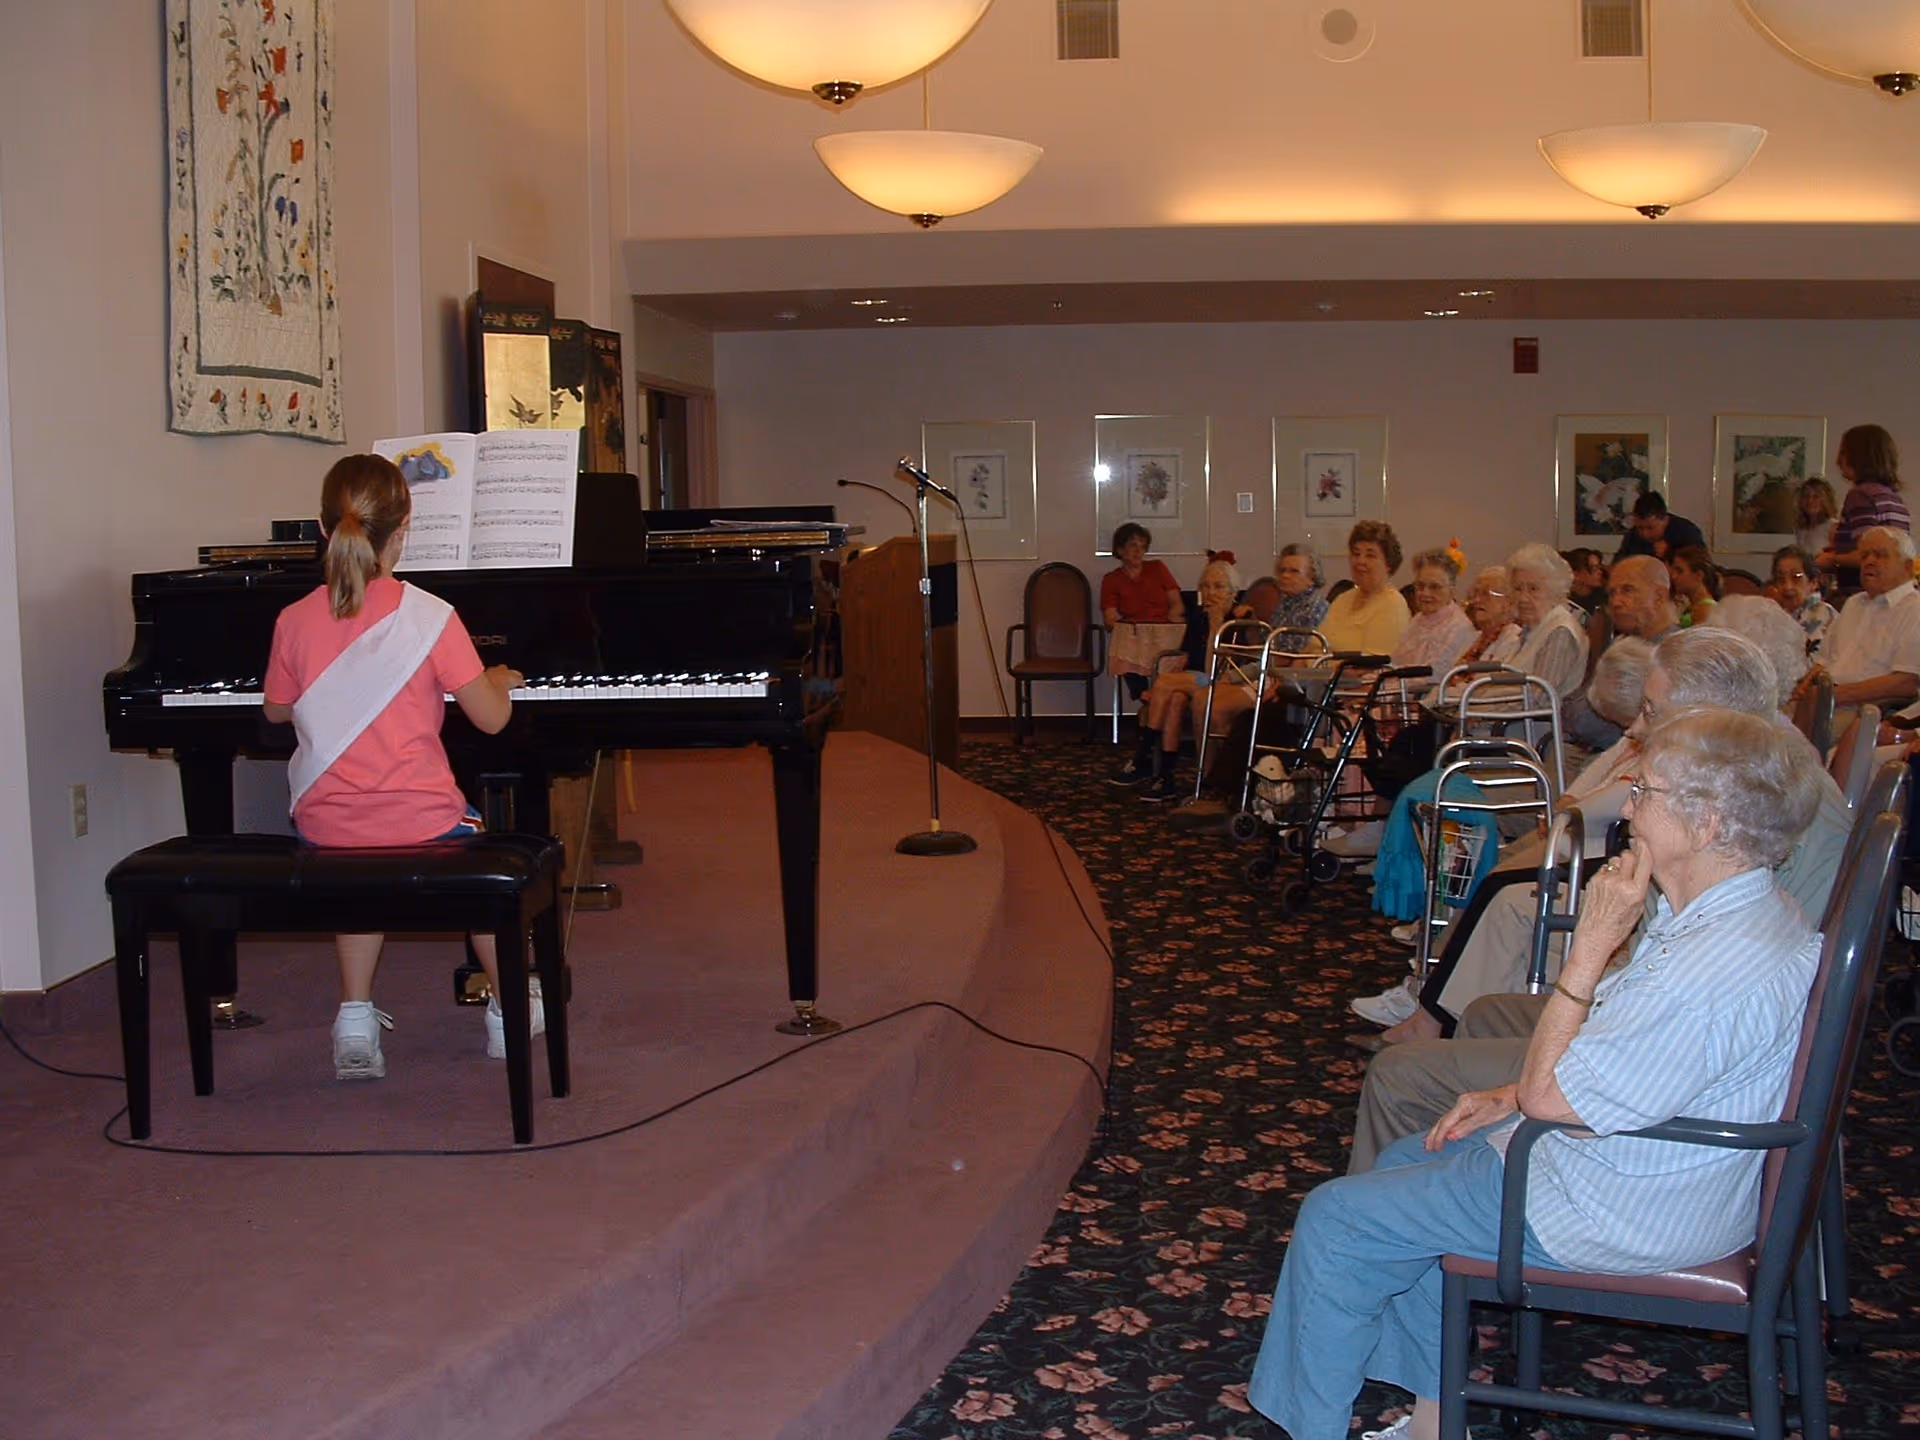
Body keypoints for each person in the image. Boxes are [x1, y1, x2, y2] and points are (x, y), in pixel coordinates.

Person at [1250, 706, 1825, 1440]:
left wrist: (1587, 951)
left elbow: (1557, 1095)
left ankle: (1311, 1428)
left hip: (1622, 1204)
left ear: (1708, 823)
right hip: (1656, 1165)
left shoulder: (1705, 969)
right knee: (1407, 1159)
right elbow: (1625, 1066)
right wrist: (1510, 1095)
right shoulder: (1750, 907)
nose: (1632, 808)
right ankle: (1433, 1419)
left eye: (1644, 791)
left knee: (1337, 1219)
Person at [1347, 628, 1851, 1173]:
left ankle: (1422, 1201)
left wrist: (1587, 961)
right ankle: (1454, 1188)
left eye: (1652, 711)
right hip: (1652, 1032)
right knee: (1485, 1014)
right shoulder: (1750, 781)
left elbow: (1689, 1009)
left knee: (1399, 1075)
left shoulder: (1763, 807)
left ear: (1708, 714)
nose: (1634, 728)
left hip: (1663, 1078)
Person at [262, 454, 532, 1080]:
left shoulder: (294, 619)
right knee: (473, 847)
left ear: (323, 529)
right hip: (423, 824)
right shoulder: (432, 616)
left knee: (359, 856)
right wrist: (496, 678)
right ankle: (508, 1008)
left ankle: (355, 1016)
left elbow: (277, 712)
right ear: (405, 529)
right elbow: (491, 720)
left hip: (327, 825)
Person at [1109, 557, 1240, 800]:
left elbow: (1218, 669)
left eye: (1219, 586)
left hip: (1221, 682)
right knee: (1175, 698)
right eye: (1206, 586)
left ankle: (1142, 757)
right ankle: (1166, 778)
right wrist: (1182, 665)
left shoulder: (1238, 619)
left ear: (1232, 590)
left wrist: (1215, 627)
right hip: (1193, 680)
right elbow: (1187, 655)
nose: (1211, 592)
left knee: (1164, 683)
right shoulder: (1199, 616)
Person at [1797, 525, 1920, 719]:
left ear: (1907, 567)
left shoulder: (1914, 609)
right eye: (1865, 556)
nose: (1869, 561)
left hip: (1864, 712)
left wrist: (1833, 696)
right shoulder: (1854, 603)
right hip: (1825, 702)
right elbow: (1823, 661)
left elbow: (1906, 683)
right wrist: (1804, 689)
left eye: (1880, 555)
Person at [1817, 424, 1909, 595]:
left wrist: (1831, 560)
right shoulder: (1895, 499)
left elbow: (1866, 554)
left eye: (1844, 452)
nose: (1838, 461)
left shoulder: (1860, 496)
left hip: (1860, 590)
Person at [1100, 522, 1185, 701]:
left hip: (1163, 630)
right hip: (1136, 634)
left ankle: (1156, 696)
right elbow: (1109, 618)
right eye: (1132, 545)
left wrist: (1174, 620)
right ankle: (1142, 694)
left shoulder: (1158, 568)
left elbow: (1176, 603)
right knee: (1123, 642)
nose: (1138, 551)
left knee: (1173, 645)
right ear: (1120, 549)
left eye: (1142, 546)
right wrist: (1113, 621)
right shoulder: (1112, 579)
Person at [1319, 521, 1411, 655]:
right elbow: (1314, 646)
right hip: (1319, 672)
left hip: (1350, 675)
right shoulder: (1343, 598)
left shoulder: (1393, 605)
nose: (1360, 561)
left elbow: (1369, 666)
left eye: (1370, 555)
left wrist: (1322, 668)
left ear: (1388, 564)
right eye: (1356, 554)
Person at [1389, 548, 1477, 679]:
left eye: (1434, 587)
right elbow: (1395, 663)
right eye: (1420, 585)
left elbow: (1431, 677)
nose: (1425, 593)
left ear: (1452, 590)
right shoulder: (1418, 619)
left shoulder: (1459, 627)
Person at [1769, 544, 1838, 660]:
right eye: (1780, 579)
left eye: (1796, 577)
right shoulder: (1778, 613)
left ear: (1813, 582)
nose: (1787, 586)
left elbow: (1808, 663)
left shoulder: (1820, 613)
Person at [1615, 491, 1706, 562]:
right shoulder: (1632, 535)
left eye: (1650, 528)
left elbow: (1700, 566)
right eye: (1640, 528)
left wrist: (1669, 554)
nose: (1644, 534)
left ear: (1664, 519)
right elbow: (1618, 564)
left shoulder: (1687, 532)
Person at [1268, 543, 1330, 633]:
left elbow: (1306, 646)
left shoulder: (1316, 609)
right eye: (1282, 570)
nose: (1285, 575)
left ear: (1312, 577)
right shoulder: (1285, 602)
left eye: (1294, 571)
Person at [1669, 543, 1720, 627]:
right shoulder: (1692, 605)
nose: (1673, 576)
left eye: (1679, 571)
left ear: (1698, 575)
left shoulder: (1705, 610)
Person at [1793, 476, 1838, 564]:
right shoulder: (1801, 529)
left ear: (1825, 500)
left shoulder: (1832, 526)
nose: (1810, 501)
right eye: (1806, 496)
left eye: (1816, 497)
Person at [1563, 547, 1607, 615]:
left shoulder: (1605, 598)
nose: (1600, 572)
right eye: (1594, 568)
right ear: (1576, 575)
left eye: (1600, 567)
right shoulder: (1564, 601)